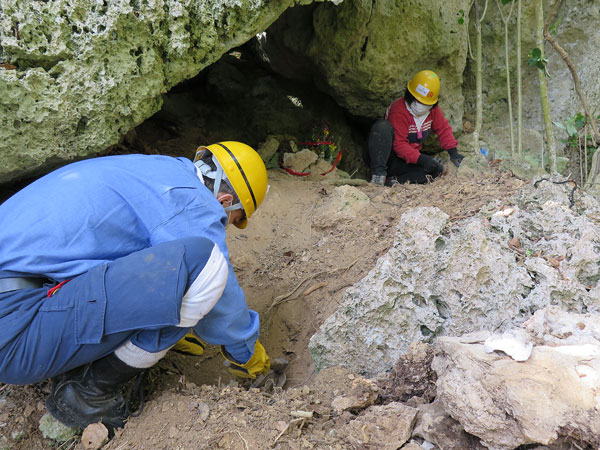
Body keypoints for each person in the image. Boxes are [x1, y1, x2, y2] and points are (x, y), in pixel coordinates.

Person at [0, 141, 271, 432]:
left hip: (17, 304)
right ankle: (86, 393)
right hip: (15, 331)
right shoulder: (193, 201)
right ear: (224, 200)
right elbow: (219, 289)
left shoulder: (154, 171)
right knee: (206, 266)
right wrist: (244, 351)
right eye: (233, 219)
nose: (223, 224)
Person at [368, 70, 464, 186]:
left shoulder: (432, 111)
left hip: (406, 161)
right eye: (418, 101)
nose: (421, 106)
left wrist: (453, 152)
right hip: (388, 157)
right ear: (410, 95)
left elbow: (443, 129)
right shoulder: (398, 110)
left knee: (436, 170)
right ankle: (378, 176)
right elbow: (399, 145)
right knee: (382, 127)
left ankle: (396, 181)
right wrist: (422, 159)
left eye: (426, 103)